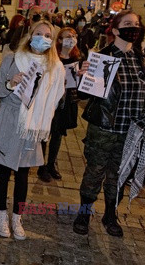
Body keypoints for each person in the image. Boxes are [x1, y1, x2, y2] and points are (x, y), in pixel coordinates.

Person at [0, 20, 65, 240]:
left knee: (23, 175)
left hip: (32, 128)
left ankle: (17, 218)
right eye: (38, 33)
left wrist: (78, 76)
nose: (43, 37)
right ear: (30, 36)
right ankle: (2, 216)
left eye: (48, 35)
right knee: (3, 172)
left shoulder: (55, 67)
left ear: (52, 40)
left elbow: (58, 99)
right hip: (9, 122)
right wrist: (10, 84)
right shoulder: (12, 59)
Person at [73, 11, 145, 237]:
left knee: (119, 175)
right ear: (115, 30)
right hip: (105, 127)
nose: (132, 28)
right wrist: (82, 76)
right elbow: (85, 94)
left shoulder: (140, 58)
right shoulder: (103, 57)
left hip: (131, 131)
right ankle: (84, 213)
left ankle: (110, 215)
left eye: (136, 24)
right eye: (127, 24)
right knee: (94, 173)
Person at [37, 28, 89, 182]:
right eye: (67, 37)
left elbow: (82, 87)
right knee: (46, 133)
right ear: (59, 40)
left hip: (67, 102)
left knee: (58, 134)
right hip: (51, 100)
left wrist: (81, 76)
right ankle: (41, 165)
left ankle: (51, 164)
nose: (71, 39)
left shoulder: (78, 57)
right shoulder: (52, 57)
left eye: (74, 36)